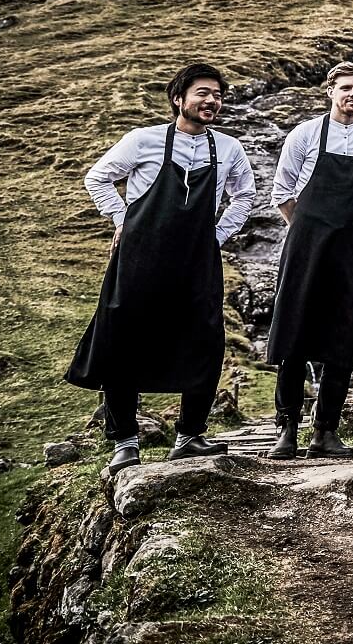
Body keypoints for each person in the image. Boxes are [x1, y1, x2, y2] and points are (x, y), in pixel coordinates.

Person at [70, 64, 257, 471]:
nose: (211, 101)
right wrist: (123, 221)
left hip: (197, 261)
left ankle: (190, 436)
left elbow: (245, 195)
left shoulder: (228, 149)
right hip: (140, 259)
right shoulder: (142, 141)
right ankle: (125, 441)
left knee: (206, 342)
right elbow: (97, 178)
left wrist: (216, 236)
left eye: (218, 95)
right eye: (203, 93)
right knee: (124, 341)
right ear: (179, 99)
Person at [266, 61, 353, 459]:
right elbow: (282, 191)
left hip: (349, 247)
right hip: (306, 247)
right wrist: (306, 230)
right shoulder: (305, 134)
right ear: (330, 91)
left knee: (342, 335)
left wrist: (343, 229)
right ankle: (286, 429)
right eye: (346, 88)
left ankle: (326, 431)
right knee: (295, 334)